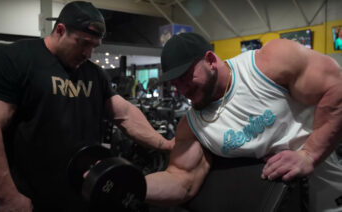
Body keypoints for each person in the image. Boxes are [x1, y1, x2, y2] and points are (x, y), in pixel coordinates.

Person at [0, 1, 173, 211]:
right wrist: (7, 196)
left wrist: (165, 145)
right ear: (60, 30)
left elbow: (125, 114)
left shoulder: (93, 74)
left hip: (76, 196)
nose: (88, 53)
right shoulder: (10, 60)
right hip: (24, 199)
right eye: (83, 43)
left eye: (94, 46)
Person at [145, 32, 342, 212]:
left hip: (325, 190)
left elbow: (337, 88)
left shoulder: (269, 64)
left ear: (211, 60)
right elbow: (180, 179)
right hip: (276, 203)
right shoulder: (192, 126)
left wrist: (309, 155)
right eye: (174, 83)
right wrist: (133, 185)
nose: (182, 89)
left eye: (185, 77)